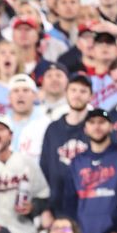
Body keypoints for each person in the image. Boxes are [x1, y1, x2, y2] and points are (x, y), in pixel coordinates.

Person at [40, 73, 93, 217]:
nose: (77, 95)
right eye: (73, 90)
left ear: (91, 96)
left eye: (83, 91)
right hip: (59, 207)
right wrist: (47, 208)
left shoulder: (97, 127)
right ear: (66, 93)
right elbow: (44, 168)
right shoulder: (53, 129)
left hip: (89, 205)